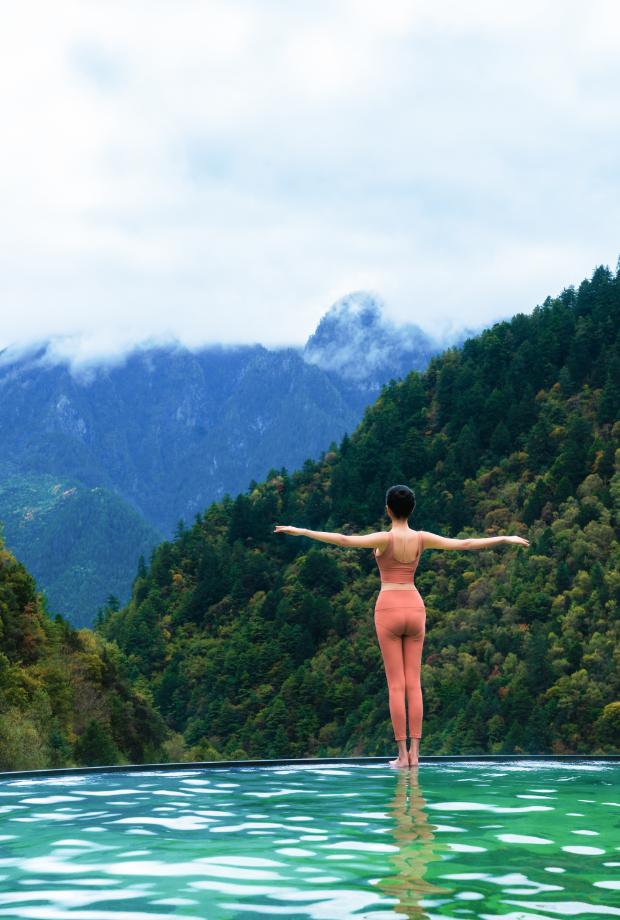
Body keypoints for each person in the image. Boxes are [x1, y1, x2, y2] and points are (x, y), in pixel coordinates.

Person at [274, 483, 529, 769]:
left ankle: (402, 755)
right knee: (413, 684)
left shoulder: (384, 539)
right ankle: (416, 754)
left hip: (388, 607)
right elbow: (465, 544)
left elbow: (344, 540)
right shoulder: (422, 538)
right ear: (412, 509)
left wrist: (301, 531)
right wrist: (505, 538)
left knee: (396, 686)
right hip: (415, 607)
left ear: (388, 509)